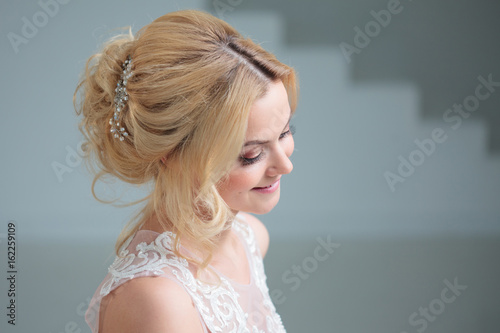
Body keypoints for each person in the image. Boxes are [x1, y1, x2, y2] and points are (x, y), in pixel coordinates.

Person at [74, 9, 298, 333]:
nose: (286, 165)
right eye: (251, 154)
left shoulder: (249, 239)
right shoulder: (157, 302)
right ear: (171, 153)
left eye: (286, 133)